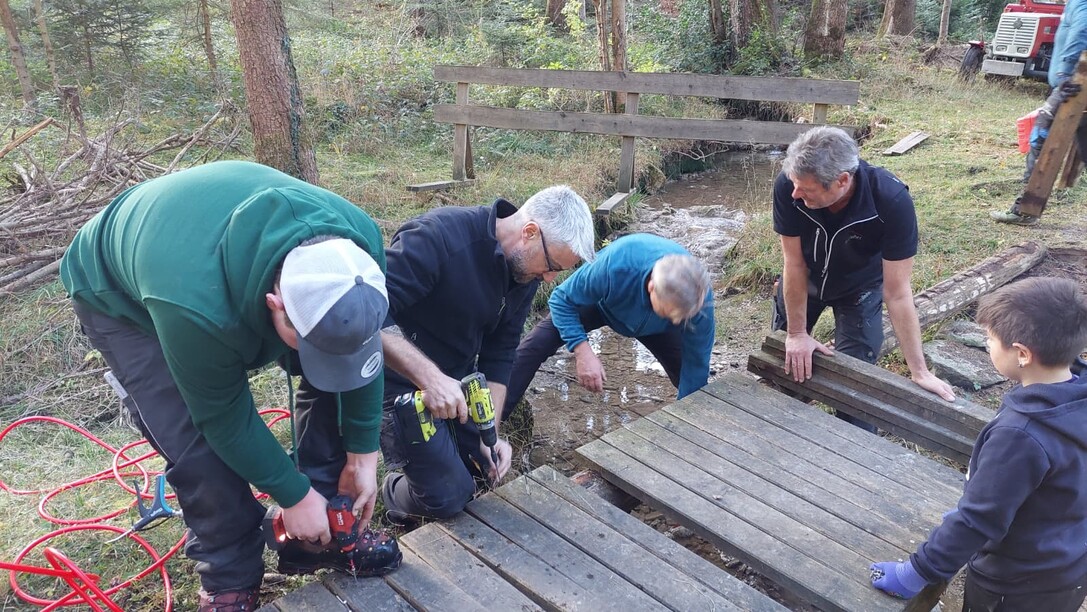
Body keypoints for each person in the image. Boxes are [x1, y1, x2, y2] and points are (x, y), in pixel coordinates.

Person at [60, 161, 392, 611]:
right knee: (195, 441)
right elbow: (224, 419)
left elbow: (363, 353)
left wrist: (363, 451)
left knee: (334, 380)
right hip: (123, 293)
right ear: (275, 305)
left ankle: (322, 529)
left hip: (215, 253)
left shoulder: (360, 247)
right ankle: (229, 575)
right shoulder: (194, 304)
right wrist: (289, 491)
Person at [379, 185, 595, 523]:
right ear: (529, 232)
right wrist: (429, 378)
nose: (550, 277)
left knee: (483, 472)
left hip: (456, 383)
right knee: (449, 497)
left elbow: (502, 351)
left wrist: (489, 436)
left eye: (558, 272)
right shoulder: (438, 237)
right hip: (396, 384)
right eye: (552, 265)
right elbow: (367, 315)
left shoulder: (525, 272)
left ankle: (456, 458)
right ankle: (391, 491)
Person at [870, 277, 1087, 611]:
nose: (987, 345)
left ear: (1023, 354)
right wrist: (994, 496)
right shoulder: (1072, 399)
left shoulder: (1023, 434)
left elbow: (978, 521)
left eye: (990, 339)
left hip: (1012, 584)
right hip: (1066, 569)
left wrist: (916, 571)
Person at [772, 126, 955, 433]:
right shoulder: (790, 185)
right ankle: (781, 422)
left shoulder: (891, 202)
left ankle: (853, 445)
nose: (795, 194)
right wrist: (796, 333)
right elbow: (794, 264)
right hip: (805, 278)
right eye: (793, 185)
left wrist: (919, 371)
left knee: (855, 381)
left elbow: (897, 293)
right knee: (787, 359)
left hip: (860, 287)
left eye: (807, 190)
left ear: (842, 181)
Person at [502, 233, 714, 421]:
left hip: (657, 329)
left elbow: (696, 367)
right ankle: (490, 423)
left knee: (689, 380)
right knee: (535, 345)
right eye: (670, 314)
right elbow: (561, 300)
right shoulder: (618, 264)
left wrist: (686, 421)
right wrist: (582, 350)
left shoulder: (698, 303)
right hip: (602, 305)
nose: (677, 322)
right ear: (652, 288)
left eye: (682, 317)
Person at [992, 0, 1087, 225]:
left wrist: (1065, 75)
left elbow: (1082, 31)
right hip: (1074, 82)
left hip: (1073, 84)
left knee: (1041, 139)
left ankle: (1025, 209)